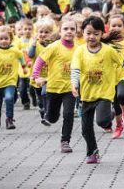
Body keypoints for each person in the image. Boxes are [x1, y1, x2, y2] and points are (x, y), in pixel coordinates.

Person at [71, 16, 124, 164]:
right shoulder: (80, 51)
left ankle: (111, 114)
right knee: (85, 129)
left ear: (102, 34)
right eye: (88, 33)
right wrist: (74, 84)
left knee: (102, 120)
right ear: (83, 33)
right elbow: (75, 68)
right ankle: (92, 152)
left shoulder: (108, 51)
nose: (92, 36)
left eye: (96, 33)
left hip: (104, 94)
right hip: (86, 95)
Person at [33, 19, 79, 153]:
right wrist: (37, 77)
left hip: (70, 88)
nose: (69, 31)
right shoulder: (53, 47)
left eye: (72, 29)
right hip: (53, 87)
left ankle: (65, 141)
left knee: (68, 113)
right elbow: (39, 61)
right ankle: (50, 115)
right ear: (60, 32)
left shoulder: (79, 49)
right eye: (66, 29)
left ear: (76, 31)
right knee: (53, 117)